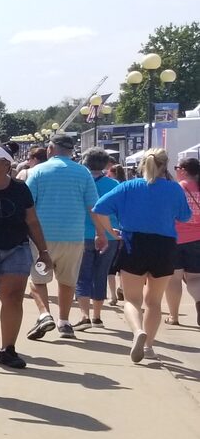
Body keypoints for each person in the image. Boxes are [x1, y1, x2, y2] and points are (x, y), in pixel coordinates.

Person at [94, 148, 193, 362]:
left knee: (132, 299)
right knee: (154, 302)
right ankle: (148, 347)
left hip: (134, 243)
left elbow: (99, 208)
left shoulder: (129, 186)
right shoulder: (174, 189)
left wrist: (112, 232)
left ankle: (138, 331)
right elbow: (185, 216)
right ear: (165, 165)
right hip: (164, 246)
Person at [0, 145, 50, 369]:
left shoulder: (20, 189)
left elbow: (32, 221)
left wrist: (43, 251)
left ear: (7, 164)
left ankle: (8, 349)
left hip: (16, 248)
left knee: (12, 298)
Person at [24, 134, 100, 340]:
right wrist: (101, 233)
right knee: (67, 281)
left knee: (38, 279)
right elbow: (94, 207)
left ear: (50, 149)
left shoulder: (37, 171)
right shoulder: (83, 173)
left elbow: (27, 204)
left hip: (42, 239)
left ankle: (44, 314)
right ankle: (64, 322)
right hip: (73, 238)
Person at [75, 147, 122, 330]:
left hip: (81, 233)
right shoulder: (115, 185)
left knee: (82, 276)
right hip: (110, 234)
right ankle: (97, 316)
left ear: (85, 162)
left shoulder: (80, 183)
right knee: (100, 274)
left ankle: (84, 315)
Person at [161, 156, 200, 326]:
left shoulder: (177, 189)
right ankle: (199, 301)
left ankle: (174, 316)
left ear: (183, 170)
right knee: (195, 278)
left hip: (175, 239)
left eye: (177, 167)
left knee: (174, 279)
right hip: (197, 239)